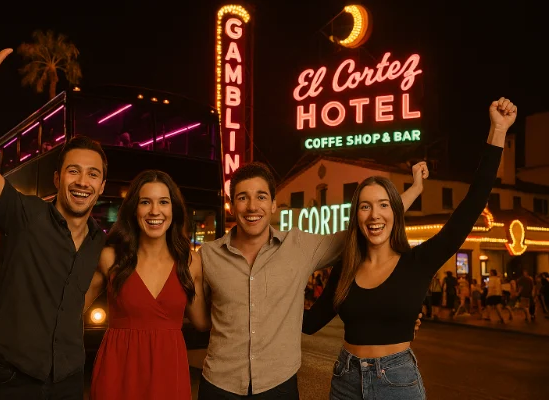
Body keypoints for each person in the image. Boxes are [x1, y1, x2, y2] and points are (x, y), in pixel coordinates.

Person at [302, 97, 517, 399]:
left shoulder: (419, 262)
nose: (374, 214)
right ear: (357, 216)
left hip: (397, 382)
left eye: (383, 205)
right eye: (365, 206)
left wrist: (498, 130)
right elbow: (310, 323)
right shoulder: (346, 268)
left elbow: (471, 205)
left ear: (395, 213)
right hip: (344, 379)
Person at [0, 16, 108, 399]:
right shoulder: (25, 215)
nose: (82, 182)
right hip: (11, 381)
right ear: (58, 179)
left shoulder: (99, 243)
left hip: (69, 379)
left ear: (101, 187)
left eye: (92, 175)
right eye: (73, 171)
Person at [197, 161, 425, 399]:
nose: (253, 206)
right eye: (243, 197)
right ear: (231, 205)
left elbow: (370, 222)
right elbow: (196, 315)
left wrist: (416, 189)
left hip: (278, 385)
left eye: (261, 197)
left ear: (273, 203)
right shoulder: (207, 256)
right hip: (219, 384)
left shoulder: (299, 247)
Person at [84, 170, 211, 399]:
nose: (155, 211)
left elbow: (203, 322)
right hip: (117, 375)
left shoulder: (190, 262)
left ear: (174, 209)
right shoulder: (110, 258)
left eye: (163, 202)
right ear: (134, 209)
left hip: (168, 376)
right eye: (145, 202)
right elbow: (70, 311)